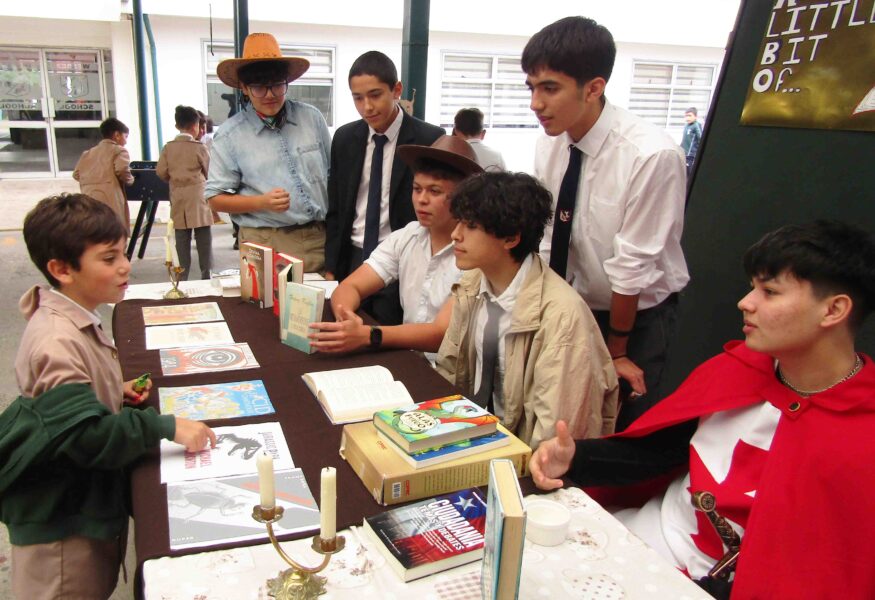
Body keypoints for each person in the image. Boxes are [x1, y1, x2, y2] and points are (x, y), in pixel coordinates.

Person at [529, 220, 875, 599]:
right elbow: (659, 453)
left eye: (770, 292)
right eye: (752, 287)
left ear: (833, 310)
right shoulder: (738, 369)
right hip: (631, 538)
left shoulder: (863, 438)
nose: (746, 303)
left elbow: (827, 571)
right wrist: (577, 457)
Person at [1, 193, 216, 600]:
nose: (125, 266)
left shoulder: (69, 315)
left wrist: (110, 390)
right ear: (61, 269)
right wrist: (162, 425)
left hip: (81, 509)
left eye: (123, 252)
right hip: (64, 533)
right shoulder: (55, 342)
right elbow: (84, 436)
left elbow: (64, 403)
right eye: (108, 258)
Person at [523, 16, 690, 430]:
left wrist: (617, 350)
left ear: (594, 88)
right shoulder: (550, 143)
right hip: (571, 306)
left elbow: (632, 266)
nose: (536, 104)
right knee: (564, 423)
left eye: (550, 88)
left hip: (635, 322)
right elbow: (548, 237)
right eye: (531, 87)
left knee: (623, 426)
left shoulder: (650, 154)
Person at [435, 171, 618, 450]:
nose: (455, 234)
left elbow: (554, 435)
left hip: (524, 456)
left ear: (510, 238)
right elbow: (450, 370)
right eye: (458, 221)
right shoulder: (473, 283)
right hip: (472, 436)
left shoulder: (562, 317)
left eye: (470, 226)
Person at [309, 135, 483, 355]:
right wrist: (347, 318)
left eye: (435, 191)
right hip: (409, 357)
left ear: (464, 198)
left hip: (452, 368)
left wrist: (369, 335)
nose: (421, 200)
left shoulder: (477, 252)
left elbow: (442, 334)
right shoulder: (407, 236)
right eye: (417, 189)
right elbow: (350, 286)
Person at [324, 50, 445, 324]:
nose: (367, 107)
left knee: (389, 336)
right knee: (347, 327)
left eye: (375, 95)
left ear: (396, 90)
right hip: (353, 255)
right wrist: (331, 265)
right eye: (358, 98)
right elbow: (337, 208)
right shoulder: (345, 138)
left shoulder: (429, 138)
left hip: (402, 258)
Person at [206, 32, 330, 272]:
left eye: (277, 85)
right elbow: (214, 199)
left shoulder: (311, 118)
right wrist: (261, 202)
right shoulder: (230, 135)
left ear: (287, 82)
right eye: (259, 88)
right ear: (244, 88)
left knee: (322, 297)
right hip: (264, 241)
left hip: (318, 239)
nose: (270, 95)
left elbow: (333, 176)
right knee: (267, 299)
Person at [157, 105, 213, 280]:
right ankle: (206, 274)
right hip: (198, 195)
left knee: (181, 237)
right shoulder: (199, 147)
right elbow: (209, 171)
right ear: (196, 126)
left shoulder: (168, 148)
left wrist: (174, 178)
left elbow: (161, 172)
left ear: (177, 126)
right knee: (203, 236)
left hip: (178, 195)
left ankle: (182, 277)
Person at [73, 117, 134, 234]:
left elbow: (76, 174)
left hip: (88, 197)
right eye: (125, 136)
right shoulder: (119, 151)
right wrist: (130, 180)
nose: (126, 141)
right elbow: (122, 170)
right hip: (111, 198)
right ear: (117, 135)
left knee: (94, 232)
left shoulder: (88, 153)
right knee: (114, 232)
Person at [681, 106, 702, 176]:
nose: (688, 118)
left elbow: (700, 139)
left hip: (691, 155)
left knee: (689, 172)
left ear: (695, 117)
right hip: (684, 153)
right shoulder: (686, 125)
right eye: (686, 116)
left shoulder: (696, 126)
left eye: (690, 116)